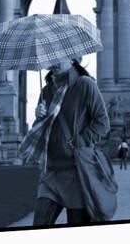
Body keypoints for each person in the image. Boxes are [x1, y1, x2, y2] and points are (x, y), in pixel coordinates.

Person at [24, 58, 110, 226]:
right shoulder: (46, 92)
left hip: (77, 172)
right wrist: (39, 118)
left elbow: (103, 123)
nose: (52, 61)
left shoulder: (85, 85)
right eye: (49, 57)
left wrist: (78, 143)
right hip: (51, 173)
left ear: (72, 58)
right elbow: (42, 132)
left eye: (57, 56)